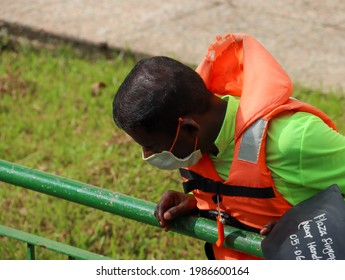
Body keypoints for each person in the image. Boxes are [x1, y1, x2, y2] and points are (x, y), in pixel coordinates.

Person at [112, 33, 345, 260]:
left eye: (153, 146)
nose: (148, 156)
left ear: (190, 129)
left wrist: (308, 229)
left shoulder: (293, 140)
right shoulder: (200, 146)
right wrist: (200, 205)